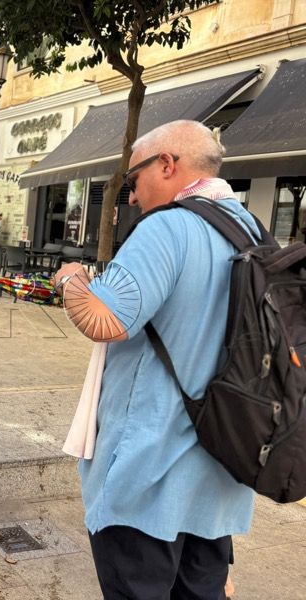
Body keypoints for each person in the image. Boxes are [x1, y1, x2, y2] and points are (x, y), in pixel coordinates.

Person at [54, 120, 256, 598]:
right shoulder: (249, 229)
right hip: (221, 470)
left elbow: (103, 319)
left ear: (167, 164)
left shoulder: (167, 227)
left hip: (149, 474)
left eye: (134, 177)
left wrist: (70, 278)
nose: (131, 195)